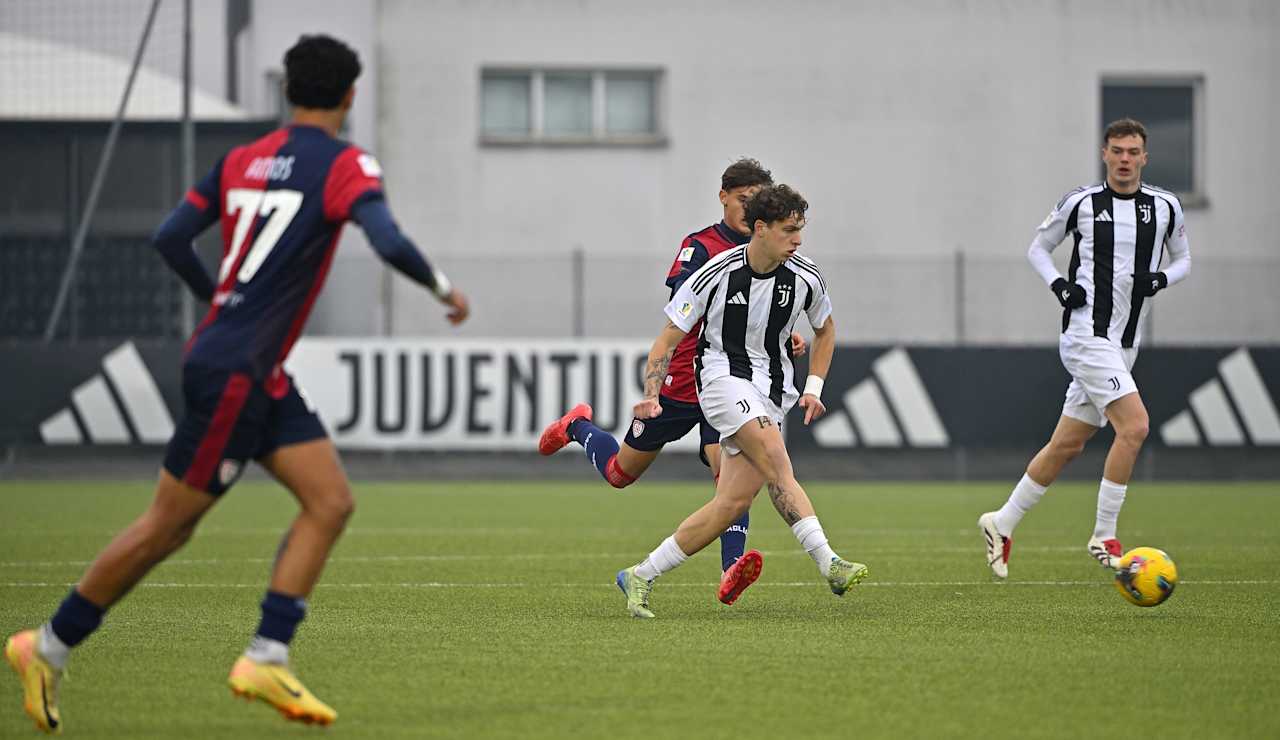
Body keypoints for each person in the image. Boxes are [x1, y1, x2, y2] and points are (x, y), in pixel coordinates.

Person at [4, 34, 468, 732]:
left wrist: (218, 297)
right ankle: (46, 645)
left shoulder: (241, 159)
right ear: (349, 95)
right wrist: (443, 289)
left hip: (250, 368)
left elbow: (170, 236)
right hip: (235, 373)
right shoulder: (345, 163)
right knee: (167, 528)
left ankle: (267, 655)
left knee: (330, 500)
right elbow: (386, 238)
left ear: (287, 92)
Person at [539, 159, 807, 606]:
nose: (749, 208)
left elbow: (766, 314)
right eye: (743, 199)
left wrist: (783, 336)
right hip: (683, 379)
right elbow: (688, 310)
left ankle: (730, 569)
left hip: (726, 384)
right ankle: (577, 427)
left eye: (757, 201)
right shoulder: (701, 248)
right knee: (620, 474)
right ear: (723, 196)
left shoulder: (772, 253)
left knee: (731, 473)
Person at [611, 183, 869, 618]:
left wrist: (814, 387)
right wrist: (651, 394)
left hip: (773, 392)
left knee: (730, 505)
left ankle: (640, 574)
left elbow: (825, 330)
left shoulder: (805, 276)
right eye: (789, 230)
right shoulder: (714, 272)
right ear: (761, 228)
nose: (798, 239)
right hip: (721, 381)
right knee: (776, 457)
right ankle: (830, 563)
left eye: (800, 230)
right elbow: (667, 341)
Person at [979, 118, 1191, 578]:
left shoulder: (1166, 206)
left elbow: (1184, 259)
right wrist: (1059, 285)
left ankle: (1002, 521)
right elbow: (1038, 248)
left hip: (1124, 342)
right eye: (1117, 150)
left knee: (1067, 445)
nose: (1125, 159)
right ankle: (1104, 532)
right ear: (1104, 153)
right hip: (1085, 336)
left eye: (1133, 151)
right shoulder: (1081, 203)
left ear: (1145, 157)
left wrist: (1161, 279)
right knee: (1134, 427)